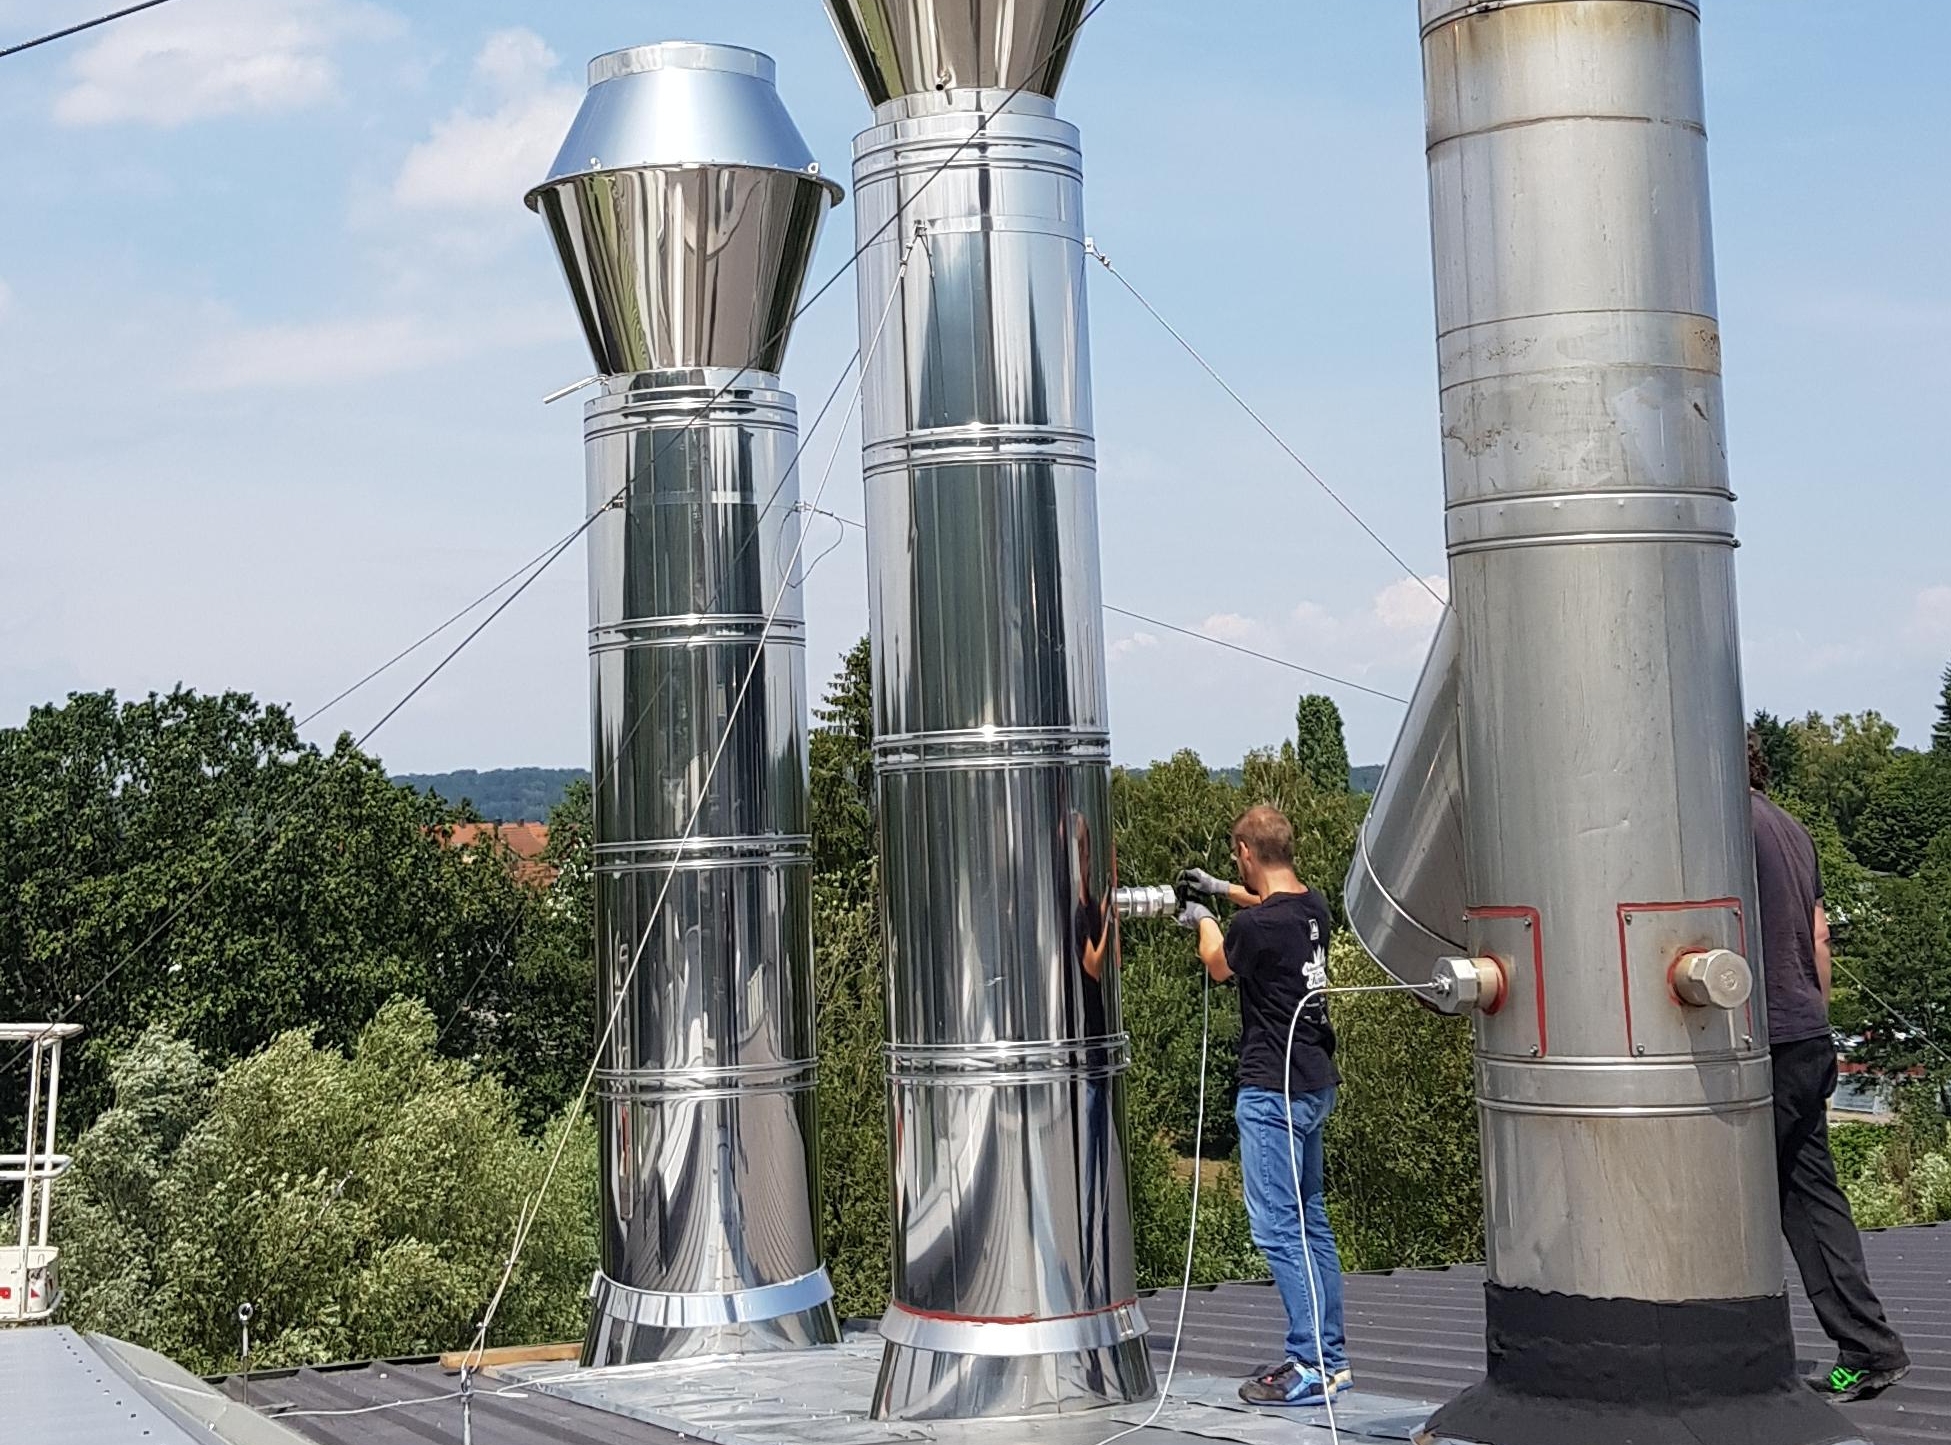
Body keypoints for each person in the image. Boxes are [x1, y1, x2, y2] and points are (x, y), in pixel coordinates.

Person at [1749, 732, 1910, 1402]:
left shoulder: (1718, 824)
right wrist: (1816, 1015)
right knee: (1808, 1196)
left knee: (1730, 1194)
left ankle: (1738, 1363)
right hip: (1807, 1031)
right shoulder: (1789, 827)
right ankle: (1867, 1351)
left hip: (1762, 1040)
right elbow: (1818, 933)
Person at [1177, 804, 1350, 1407]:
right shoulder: (1314, 907)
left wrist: (1201, 915)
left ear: (1248, 852)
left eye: (1235, 859)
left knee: (1277, 1229)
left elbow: (1219, 964)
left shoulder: (1253, 930)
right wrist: (1224, 889)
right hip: (1313, 1082)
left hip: (1271, 1091)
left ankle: (1312, 1363)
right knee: (1312, 1223)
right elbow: (1271, 906)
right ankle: (1330, 1355)